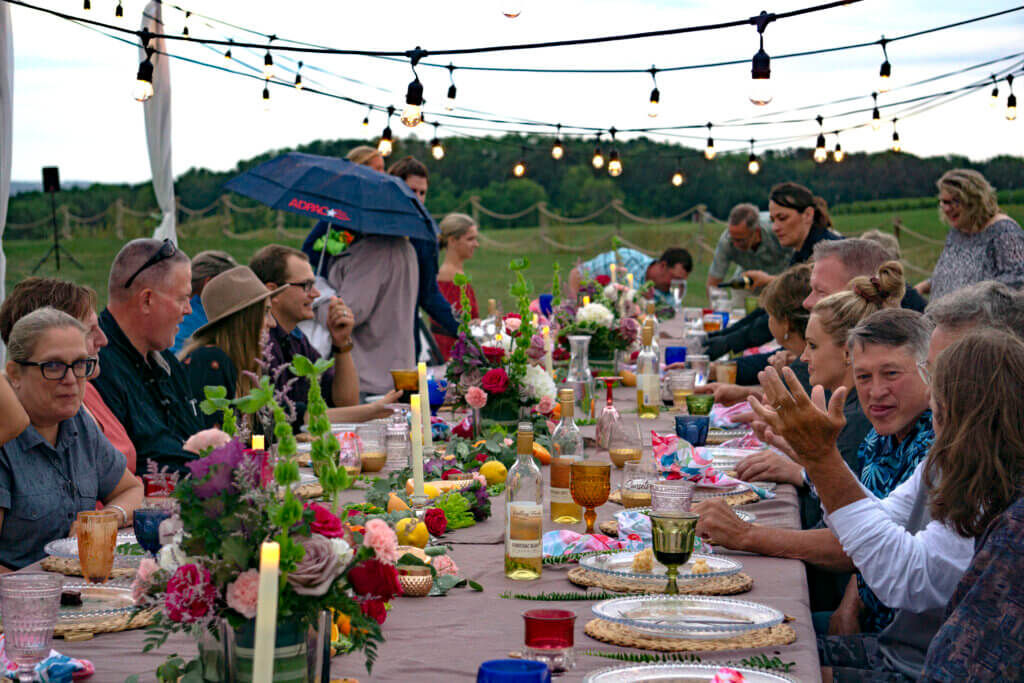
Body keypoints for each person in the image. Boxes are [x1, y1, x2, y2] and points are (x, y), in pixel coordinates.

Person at [0, 308, 143, 571]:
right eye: (53, 366)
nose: (70, 379)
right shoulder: (5, 439)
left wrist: (106, 519)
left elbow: (130, 489)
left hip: (82, 591)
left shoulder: (78, 423)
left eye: (79, 364)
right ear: (15, 374)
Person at [919, 332, 1024, 681]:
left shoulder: (1016, 530)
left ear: (955, 423)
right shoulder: (1007, 500)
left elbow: (956, 672)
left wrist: (819, 459)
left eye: (934, 416)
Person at [93, 238, 230, 474]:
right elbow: (131, 466)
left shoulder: (165, 362)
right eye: (182, 298)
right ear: (147, 300)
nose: (188, 309)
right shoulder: (97, 367)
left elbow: (189, 438)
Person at [249, 245, 400, 427]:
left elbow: (345, 402)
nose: (316, 294)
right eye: (306, 286)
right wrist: (372, 411)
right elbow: (283, 415)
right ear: (273, 291)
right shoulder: (259, 343)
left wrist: (341, 343)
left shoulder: (297, 338)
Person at [0, 278, 137, 471]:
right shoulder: (47, 410)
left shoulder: (85, 390)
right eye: (89, 331)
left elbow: (127, 485)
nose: (104, 340)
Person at [704, 182, 839, 359]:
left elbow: (779, 315)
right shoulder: (801, 251)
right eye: (773, 220)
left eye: (782, 218)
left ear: (808, 214)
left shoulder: (824, 254)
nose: (775, 227)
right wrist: (717, 338)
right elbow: (773, 308)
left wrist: (727, 343)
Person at [299, 146, 387, 357]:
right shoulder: (340, 211)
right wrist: (336, 258)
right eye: (377, 169)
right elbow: (308, 248)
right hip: (339, 292)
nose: (383, 175)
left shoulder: (375, 211)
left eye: (384, 168)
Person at [698, 263, 812, 406]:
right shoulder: (795, 355)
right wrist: (748, 394)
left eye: (769, 314)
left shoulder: (806, 365)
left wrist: (775, 391)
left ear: (785, 324)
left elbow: (791, 415)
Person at [179, 266, 285, 416]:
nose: (273, 323)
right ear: (244, 320)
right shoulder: (209, 361)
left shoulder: (243, 366)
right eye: (266, 312)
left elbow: (258, 437)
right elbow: (215, 436)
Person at [387, 156, 460, 362]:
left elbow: (428, 294)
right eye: (412, 190)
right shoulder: (370, 228)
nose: (418, 197)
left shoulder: (426, 236)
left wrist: (462, 331)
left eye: (423, 192)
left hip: (406, 338)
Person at [920, 168, 1024, 300]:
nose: (946, 209)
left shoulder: (1004, 232)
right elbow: (953, 273)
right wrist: (926, 285)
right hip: (941, 316)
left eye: (954, 201)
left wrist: (970, 303)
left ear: (975, 201)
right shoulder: (958, 231)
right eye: (943, 202)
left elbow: (1018, 281)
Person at [568, 246, 693, 308]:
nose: (676, 283)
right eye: (674, 277)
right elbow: (577, 274)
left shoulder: (677, 289)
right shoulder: (627, 259)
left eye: (681, 280)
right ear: (663, 266)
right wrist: (579, 308)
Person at [706, 202, 792, 291]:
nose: (735, 244)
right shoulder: (726, 241)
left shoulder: (778, 230)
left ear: (756, 232)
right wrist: (714, 302)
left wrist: (771, 280)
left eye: (740, 240)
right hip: (748, 281)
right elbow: (714, 282)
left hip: (782, 279)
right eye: (733, 239)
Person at [171, 250, 237, 354]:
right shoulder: (201, 318)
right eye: (230, 285)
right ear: (209, 283)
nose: (234, 293)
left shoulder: (176, 311)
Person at [434, 213, 480, 359]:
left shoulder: (457, 274)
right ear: (452, 240)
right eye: (470, 239)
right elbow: (450, 323)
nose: (476, 244)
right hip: (452, 353)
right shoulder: (448, 278)